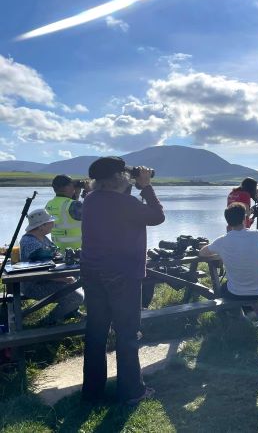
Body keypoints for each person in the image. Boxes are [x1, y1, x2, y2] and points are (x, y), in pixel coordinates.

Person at [80, 157, 165, 405]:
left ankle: (93, 392)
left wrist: (134, 187)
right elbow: (157, 216)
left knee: (96, 332)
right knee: (127, 333)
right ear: (119, 177)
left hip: (92, 272)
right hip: (123, 274)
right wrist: (146, 186)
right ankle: (131, 391)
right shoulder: (126, 203)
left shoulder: (91, 200)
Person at [199, 202, 258, 332]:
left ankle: (241, 316)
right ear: (245, 218)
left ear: (227, 222)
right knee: (255, 292)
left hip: (236, 293)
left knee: (223, 289)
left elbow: (202, 253)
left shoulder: (222, 240)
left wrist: (219, 248)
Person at [18, 208, 84, 323]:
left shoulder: (42, 237)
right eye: (50, 222)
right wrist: (64, 278)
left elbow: (54, 255)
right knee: (77, 296)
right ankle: (49, 321)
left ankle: (71, 311)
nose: (53, 223)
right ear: (41, 226)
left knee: (78, 282)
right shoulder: (30, 242)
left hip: (46, 279)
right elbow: (40, 271)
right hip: (34, 285)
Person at [45, 174, 89, 251]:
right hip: (77, 250)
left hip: (58, 250)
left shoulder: (49, 204)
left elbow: (69, 214)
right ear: (66, 187)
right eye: (72, 185)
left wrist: (76, 195)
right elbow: (95, 215)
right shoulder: (73, 205)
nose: (74, 188)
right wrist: (90, 191)